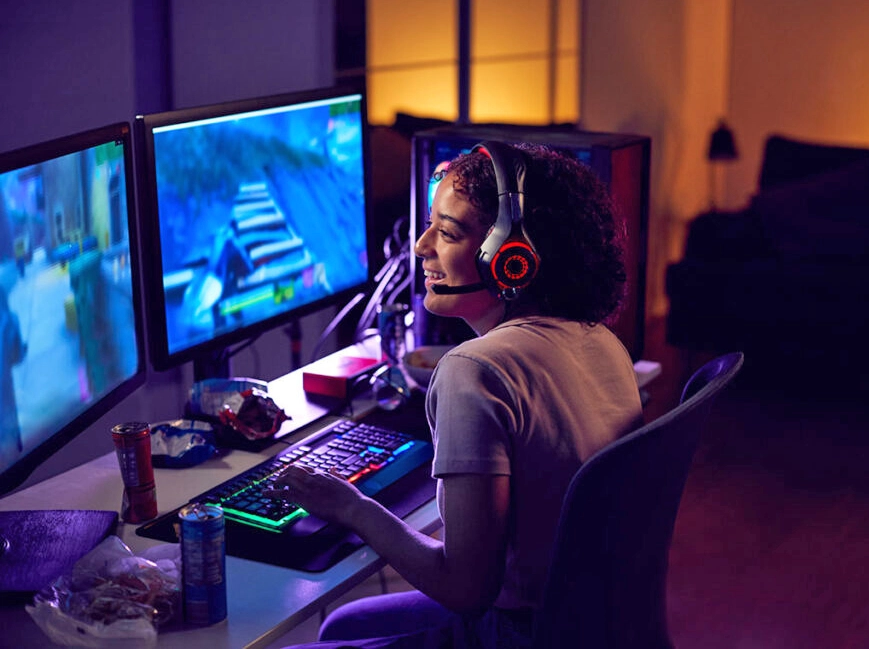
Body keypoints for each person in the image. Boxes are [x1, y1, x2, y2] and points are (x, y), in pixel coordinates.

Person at [269, 142, 644, 649]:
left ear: (512, 260)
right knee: (343, 625)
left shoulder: (474, 370)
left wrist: (351, 507)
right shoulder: (603, 341)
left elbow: (466, 589)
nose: (422, 246)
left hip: (516, 634)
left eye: (447, 232)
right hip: (590, 623)